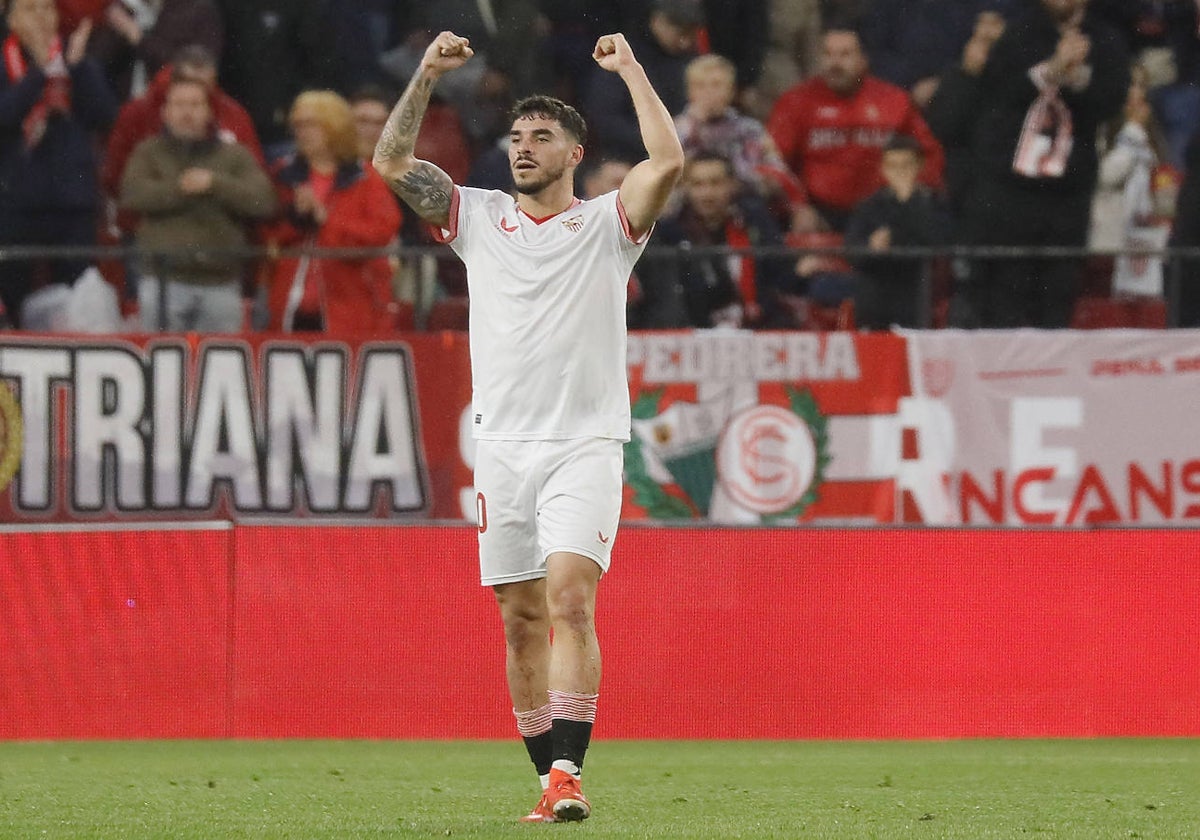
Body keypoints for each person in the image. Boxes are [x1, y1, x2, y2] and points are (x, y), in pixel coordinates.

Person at [372, 29, 683, 823]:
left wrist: (632, 70)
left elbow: (669, 163)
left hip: (584, 443)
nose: (522, 147)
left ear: (575, 153)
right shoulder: (476, 217)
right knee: (519, 622)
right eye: (516, 136)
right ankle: (547, 781)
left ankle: (571, 771)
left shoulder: (610, 224)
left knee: (571, 600)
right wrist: (425, 76)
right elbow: (392, 164)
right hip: (503, 448)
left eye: (542, 136)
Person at [941, 0, 1129, 328]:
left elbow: (1111, 98)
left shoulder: (1106, 40)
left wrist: (1078, 76)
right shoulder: (1017, 35)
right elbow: (1000, 93)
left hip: (1068, 192)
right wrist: (1051, 70)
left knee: (1058, 298)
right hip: (1012, 190)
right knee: (1006, 300)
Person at [119, 71, 276, 332]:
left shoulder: (234, 156)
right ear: (165, 112)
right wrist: (180, 188)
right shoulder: (148, 152)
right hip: (163, 283)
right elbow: (132, 195)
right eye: (179, 105)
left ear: (209, 112)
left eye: (195, 104)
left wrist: (215, 184)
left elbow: (264, 201)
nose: (186, 112)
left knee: (221, 367)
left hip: (221, 283)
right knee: (162, 364)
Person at [0, 0, 117, 327]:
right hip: (16, 200)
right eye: (30, 9)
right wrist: (38, 74)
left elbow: (106, 115)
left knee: (78, 294)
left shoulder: (75, 57)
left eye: (46, 9)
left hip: (71, 199)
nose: (40, 17)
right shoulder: (3, 61)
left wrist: (79, 70)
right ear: (11, 19)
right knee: (11, 294)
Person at [766, 25, 945, 234]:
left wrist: (910, 195)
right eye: (828, 54)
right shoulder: (795, 101)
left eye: (845, 55)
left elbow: (930, 155)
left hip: (883, 211)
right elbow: (772, 161)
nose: (835, 63)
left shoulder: (894, 101)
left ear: (863, 60)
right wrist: (796, 206)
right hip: (819, 212)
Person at [263, 90, 402, 333]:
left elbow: (381, 233)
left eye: (310, 125)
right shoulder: (282, 174)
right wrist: (296, 217)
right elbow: (266, 231)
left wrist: (326, 220)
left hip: (348, 307)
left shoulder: (366, 179)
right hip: (288, 305)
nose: (301, 132)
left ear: (334, 127)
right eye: (297, 125)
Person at [638, 151, 799, 328]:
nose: (707, 194)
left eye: (716, 183)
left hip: (755, 327)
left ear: (732, 185)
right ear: (685, 188)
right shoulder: (669, 231)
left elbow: (780, 276)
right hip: (692, 330)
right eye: (698, 184)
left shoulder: (755, 221)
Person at [843, 135, 953, 329]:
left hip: (918, 288)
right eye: (893, 166)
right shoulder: (870, 206)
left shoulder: (935, 203)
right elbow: (851, 250)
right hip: (878, 290)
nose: (899, 172)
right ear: (883, 169)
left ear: (920, 165)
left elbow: (938, 241)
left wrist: (908, 201)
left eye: (906, 165)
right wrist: (871, 247)